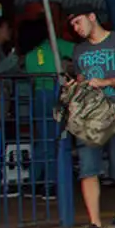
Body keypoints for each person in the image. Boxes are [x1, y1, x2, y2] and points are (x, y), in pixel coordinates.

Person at [65, 4, 115, 228]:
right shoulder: (79, 51)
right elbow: (80, 79)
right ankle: (95, 224)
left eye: (77, 22)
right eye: (72, 25)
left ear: (91, 17)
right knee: (88, 167)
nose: (75, 28)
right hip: (90, 117)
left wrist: (105, 81)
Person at [24, 16, 75, 200]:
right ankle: (50, 185)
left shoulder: (30, 55)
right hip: (55, 94)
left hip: (39, 96)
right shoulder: (55, 45)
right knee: (55, 139)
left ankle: (33, 183)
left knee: (43, 140)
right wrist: (68, 66)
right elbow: (79, 52)